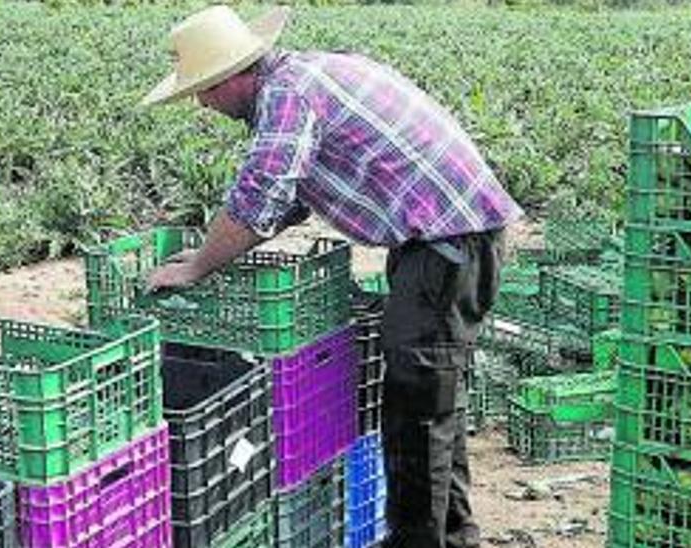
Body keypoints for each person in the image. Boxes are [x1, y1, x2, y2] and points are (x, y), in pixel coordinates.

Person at [140, 5, 522, 548]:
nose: (202, 102)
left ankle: (419, 541)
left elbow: (261, 193)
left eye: (204, 89)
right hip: (440, 237)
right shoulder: (305, 76)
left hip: (448, 240)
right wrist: (212, 251)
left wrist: (201, 264)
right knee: (430, 401)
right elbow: (289, 195)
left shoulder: (287, 93)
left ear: (233, 75)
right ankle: (452, 536)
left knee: (417, 405)